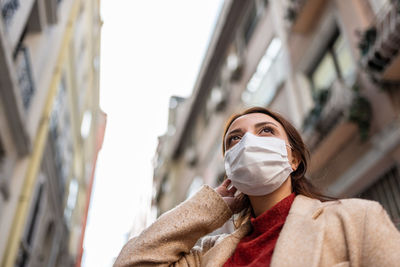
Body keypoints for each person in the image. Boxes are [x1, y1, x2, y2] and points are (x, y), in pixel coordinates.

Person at [114, 107, 400, 267]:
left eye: (265, 130)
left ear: (293, 157)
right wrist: (210, 207)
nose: (248, 142)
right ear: (229, 166)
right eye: (234, 140)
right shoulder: (208, 255)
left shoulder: (355, 220)